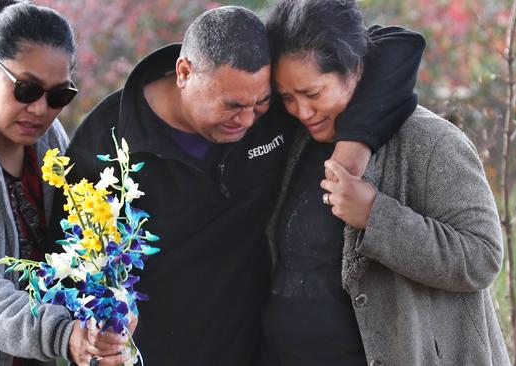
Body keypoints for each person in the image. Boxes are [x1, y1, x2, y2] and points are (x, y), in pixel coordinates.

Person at [47, 5, 424, 365]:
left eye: (260, 104)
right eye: (231, 106)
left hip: (253, 351)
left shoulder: (275, 98)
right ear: (183, 73)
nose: (246, 121)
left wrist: (354, 147)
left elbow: (398, 46)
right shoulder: (104, 144)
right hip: (154, 354)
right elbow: (67, 264)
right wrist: (98, 329)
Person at [261, 0, 511, 365]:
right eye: (288, 98)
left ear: (356, 70)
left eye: (314, 94)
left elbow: (482, 256)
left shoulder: (432, 143)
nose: (302, 111)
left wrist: (376, 216)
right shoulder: (297, 139)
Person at [0, 2, 133, 366]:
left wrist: (110, 316)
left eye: (58, 96)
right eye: (26, 89)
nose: (40, 109)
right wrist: (63, 335)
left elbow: (84, 247)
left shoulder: (52, 141)